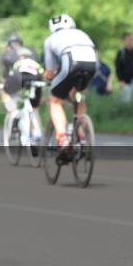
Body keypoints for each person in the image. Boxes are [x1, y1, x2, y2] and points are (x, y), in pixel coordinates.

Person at [43, 14, 99, 158]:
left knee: (55, 101)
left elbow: (50, 71)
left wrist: (48, 77)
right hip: (92, 62)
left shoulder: (50, 40)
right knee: (78, 96)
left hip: (71, 61)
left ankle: (63, 140)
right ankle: (82, 137)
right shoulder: (81, 33)